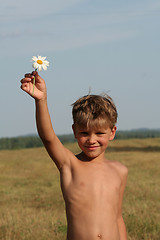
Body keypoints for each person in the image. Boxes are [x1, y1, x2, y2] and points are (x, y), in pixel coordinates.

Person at [20, 71, 128, 240]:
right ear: (74, 132)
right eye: (84, 132)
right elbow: (48, 138)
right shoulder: (69, 164)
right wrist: (41, 100)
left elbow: (117, 217)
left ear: (112, 132)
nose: (92, 140)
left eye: (99, 133)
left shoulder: (120, 171)